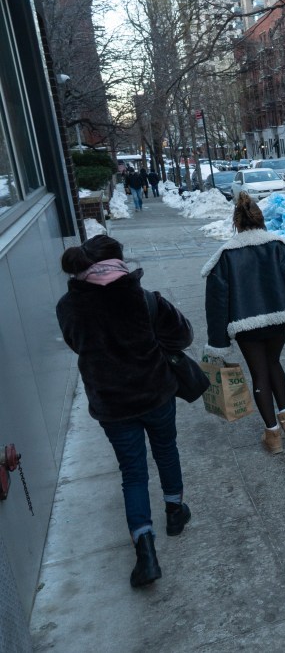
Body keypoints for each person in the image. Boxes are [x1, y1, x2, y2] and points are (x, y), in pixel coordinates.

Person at [56, 235, 195, 588]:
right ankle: (175, 513)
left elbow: (77, 345)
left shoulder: (68, 307)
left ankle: (145, 551)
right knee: (166, 451)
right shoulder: (144, 298)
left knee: (132, 473)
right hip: (156, 393)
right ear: (117, 261)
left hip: (112, 405)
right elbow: (182, 336)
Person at [202, 192, 285, 455]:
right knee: (274, 364)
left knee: (259, 373)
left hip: (245, 325)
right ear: (261, 219)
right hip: (279, 321)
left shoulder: (225, 256)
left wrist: (218, 342)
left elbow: (217, 302)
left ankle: (272, 435)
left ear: (236, 223)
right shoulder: (279, 247)